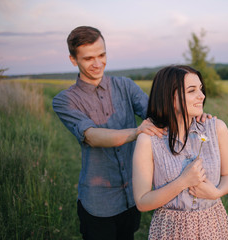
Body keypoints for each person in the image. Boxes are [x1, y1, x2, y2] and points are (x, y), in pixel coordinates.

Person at [52, 26, 211, 240]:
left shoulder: (125, 86)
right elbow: (92, 136)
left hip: (133, 196)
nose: (98, 63)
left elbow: (159, 113)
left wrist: (194, 114)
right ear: (73, 60)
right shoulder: (65, 100)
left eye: (102, 55)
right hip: (99, 201)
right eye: (89, 58)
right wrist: (137, 131)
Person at [133, 65, 228, 239]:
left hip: (213, 225)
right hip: (170, 230)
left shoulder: (217, 128)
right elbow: (142, 202)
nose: (201, 96)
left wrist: (216, 193)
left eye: (201, 89)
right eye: (191, 91)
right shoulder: (148, 140)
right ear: (169, 97)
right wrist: (183, 181)